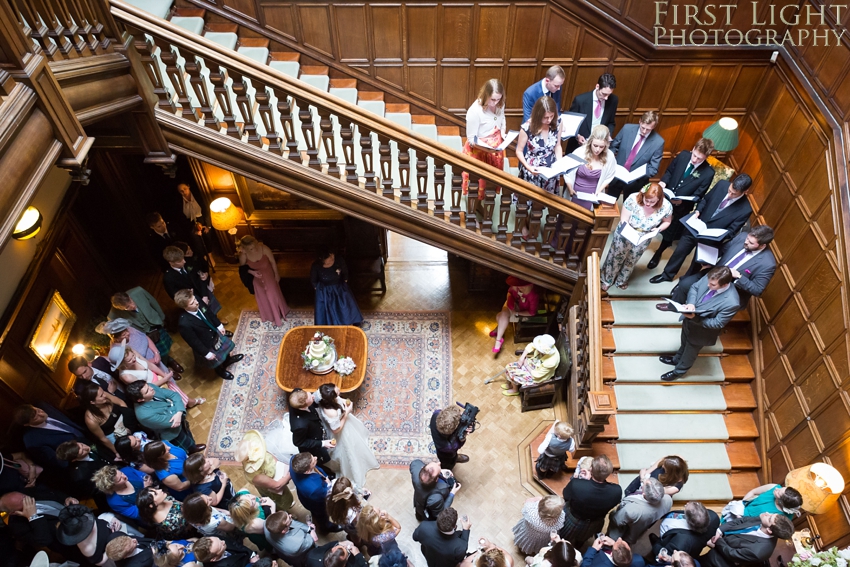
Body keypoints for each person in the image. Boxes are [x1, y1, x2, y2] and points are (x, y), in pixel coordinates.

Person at [651, 173, 754, 284]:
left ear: (745, 192)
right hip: (696, 226)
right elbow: (705, 199)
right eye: (729, 190)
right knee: (679, 252)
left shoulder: (745, 209)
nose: (729, 195)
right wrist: (697, 211)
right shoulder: (721, 184)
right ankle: (667, 275)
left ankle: (682, 284)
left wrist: (716, 235)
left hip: (711, 239)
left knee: (696, 264)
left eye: (734, 194)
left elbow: (732, 231)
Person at [659, 225, 776, 312]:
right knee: (685, 284)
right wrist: (711, 260)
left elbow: (757, 289)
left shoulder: (767, 264)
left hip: (730, 288)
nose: (746, 242)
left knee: (707, 306)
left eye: (751, 243)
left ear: (762, 245)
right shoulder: (742, 237)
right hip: (714, 272)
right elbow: (724, 249)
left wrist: (739, 277)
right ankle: (674, 306)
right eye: (747, 239)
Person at [659, 266, 740, 381]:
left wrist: (695, 318)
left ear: (724, 285)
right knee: (684, 342)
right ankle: (676, 359)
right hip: (689, 320)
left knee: (690, 353)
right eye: (709, 282)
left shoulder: (731, 302)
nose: (708, 286)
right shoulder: (711, 278)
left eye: (713, 285)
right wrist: (691, 303)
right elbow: (695, 287)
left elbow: (717, 323)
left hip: (702, 331)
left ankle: (679, 371)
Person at [646, 139, 716, 269]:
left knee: (669, 232)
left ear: (706, 157)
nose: (694, 160)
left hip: (681, 206)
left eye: (699, 158)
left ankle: (659, 252)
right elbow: (670, 172)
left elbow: (699, 195)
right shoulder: (683, 155)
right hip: (664, 197)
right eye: (694, 155)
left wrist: (682, 201)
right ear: (693, 148)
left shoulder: (708, 173)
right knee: (651, 220)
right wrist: (663, 182)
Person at [600, 183, 672, 291]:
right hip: (626, 231)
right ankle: (607, 279)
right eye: (646, 200)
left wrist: (658, 229)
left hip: (644, 236)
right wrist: (629, 232)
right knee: (616, 256)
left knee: (632, 259)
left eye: (652, 201)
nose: (648, 204)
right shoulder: (633, 199)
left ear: (659, 199)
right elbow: (624, 219)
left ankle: (621, 280)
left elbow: (667, 221)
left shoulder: (666, 206)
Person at [109, 287, 185, 377]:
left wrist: (162, 317)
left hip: (155, 322)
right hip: (143, 333)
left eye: (131, 302)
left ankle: (169, 360)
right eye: (127, 307)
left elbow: (154, 303)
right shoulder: (113, 314)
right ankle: (166, 369)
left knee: (165, 347)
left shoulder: (139, 291)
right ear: (121, 309)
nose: (132, 306)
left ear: (129, 297)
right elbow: (113, 327)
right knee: (154, 353)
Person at [313, 383, 379, 486]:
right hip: (341, 431)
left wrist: (344, 402)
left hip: (345, 422)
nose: (339, 390)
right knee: (349, 449)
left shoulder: (326, 398)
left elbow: (338, 399)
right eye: (337, 392)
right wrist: (346, 412)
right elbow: (336, 429)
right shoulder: (331, 412)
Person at [173, 289, 243, 381]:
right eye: (192, 303)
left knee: (225, 350)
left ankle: (228, 360)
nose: (196, 303)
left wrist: (219, 325)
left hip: (214, 333)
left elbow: (209, 312)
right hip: (206, 343)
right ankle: (220, 370)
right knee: (215, 360)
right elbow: (193, 341)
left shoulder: (197, 300)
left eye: (194, 299)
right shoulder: (184, 323)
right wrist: (206, 353)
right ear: (185, 307)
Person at [112, 340, 201, 407]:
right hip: (152, 389)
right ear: (122, 364)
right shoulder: (126, 376)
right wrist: (164, 379)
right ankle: (186, 408)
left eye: (133, 356)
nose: (133, 359)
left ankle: (190, 402)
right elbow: (145, 387)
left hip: (158, 377)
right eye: (130, 360)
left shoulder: (132, 352)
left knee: (178, 393)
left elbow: (150, 365)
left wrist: (164, 375)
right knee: (173, 402)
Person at [463, 79, 507, 201]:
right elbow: (471, 139)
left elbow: (502, 118)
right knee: (476, 186)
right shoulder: (474, 111)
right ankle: (472, 212)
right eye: (493, 99)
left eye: (498, 99)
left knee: (491, 186)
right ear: (485, 95)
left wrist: (503, 131)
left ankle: (486, 210)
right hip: (479, 151)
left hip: (495, 149)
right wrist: (487, 149)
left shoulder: (500, 103)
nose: (495, 102)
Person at [128, 381, 201, 453]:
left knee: (187, 432)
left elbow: (174, 395)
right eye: (147, 391)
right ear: (141, 399)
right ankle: (191, 450)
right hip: (172, 432)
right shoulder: (144, 415)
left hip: (179, 419)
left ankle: (193, 446)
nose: (151, 388)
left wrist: (179, 412)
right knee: (185, 446)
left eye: (148, 386)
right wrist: (177, 406)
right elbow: (172, 422)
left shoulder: (149, 387)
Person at [608, 111, 665, 201]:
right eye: (643, 128)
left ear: (654, 127)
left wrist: (638, 175)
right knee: (608, 205)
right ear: (640, 121)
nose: (644, 131)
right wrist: (610, 163)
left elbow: (653, 169)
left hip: (636, 183)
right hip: (616, 176)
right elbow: (614, 146)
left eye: (648, 129)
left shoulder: (658, 142)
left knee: (630, 209)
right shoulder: (627, 129)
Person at [13, 403, 88, 470]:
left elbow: (68, 418)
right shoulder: (33, 441)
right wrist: (78, 456)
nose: (42, 414)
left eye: (38, 410)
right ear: (27, 424)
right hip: (81, 457)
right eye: (36, 417)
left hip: (87, 435)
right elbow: (58, 461)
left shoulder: (44, 406)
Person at [700, 513, 794, 567]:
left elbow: (731, 553)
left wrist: (718, 541)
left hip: (718, 560)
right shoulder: (763, 520)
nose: (766, 513)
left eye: (769, 518)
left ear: (769, 530)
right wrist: (720, 530)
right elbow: (741, 521)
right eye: (771, 514)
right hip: (722, 539)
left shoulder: (759, 552)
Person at [235, 429, 295, 512]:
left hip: (278, 475)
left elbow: (271, 457)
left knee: (286, 494)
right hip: (273, 489)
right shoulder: (256, 476)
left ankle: (289, 502)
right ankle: (285, 511)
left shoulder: (259, 451)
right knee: (281, 500)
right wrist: (291, 472)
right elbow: (277, 486)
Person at [162, 245, 226, 323]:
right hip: (192, 301)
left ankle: (217, 321)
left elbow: (200, 278)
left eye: (183, 258)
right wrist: (188, 295)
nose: (184, 261)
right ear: (171, 263)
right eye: (179, 261)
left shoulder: (188, 262)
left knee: (212, 310)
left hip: (203, 292)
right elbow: (176, 297)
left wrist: (205, 295)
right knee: (203, 317)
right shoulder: (168, 278)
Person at [516, 96, 563, 198]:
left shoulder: (558, 123)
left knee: (548, 202)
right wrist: (528, 167)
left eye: (551, 116)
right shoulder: (527, 127)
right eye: (545, 117)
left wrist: (560, 164)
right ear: (538, 114)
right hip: (533, 170)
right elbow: (519, 151)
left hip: (551, 170)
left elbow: (558, 145)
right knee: (528, 201)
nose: (549, 120)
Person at [238, 235, 290, 326]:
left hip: (269, 275)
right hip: (257, 278)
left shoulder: (264, 248)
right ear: (245, 248)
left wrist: (276, 274)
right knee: (263, 297)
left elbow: (273, 262)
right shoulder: (243, 255)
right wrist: (252, 272)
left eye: (254, 247)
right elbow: (243, 269)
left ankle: (278, 316)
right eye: (250, 249)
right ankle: (269, 316)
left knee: (271, 295)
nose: (253, 249)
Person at [56, 504, 130, 567]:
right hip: (116, 555)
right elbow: (99, 562)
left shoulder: (86, 518)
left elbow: (99, 519)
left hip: (122, 536)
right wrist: (111, 549)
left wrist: (111, 519)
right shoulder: (87, 548)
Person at [564, 125, 617, 212]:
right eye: (595, 145)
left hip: (594, 193)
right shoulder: (579, 152)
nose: (597, 150)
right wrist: (570, 188)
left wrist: (599, 191)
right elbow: (568, 172)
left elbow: (609, 176)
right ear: (590, 142)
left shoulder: (609, 156)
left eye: (601, 147)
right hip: (575, 191)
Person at [647, 502, 719, 563]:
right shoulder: (714, 516)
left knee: (658, 546)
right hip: (695, 543)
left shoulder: (681, 543)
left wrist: (656, 546)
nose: (686, 504)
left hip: (668, 541)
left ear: (689, 521)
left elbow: (666, 554)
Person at [607, 478, 673, 544]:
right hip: (644, 526)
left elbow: (617, 520)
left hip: (629, 533)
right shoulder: (668, 500)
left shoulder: (631, 511)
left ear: (644, 494)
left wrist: (612, 514)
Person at [77, 381, 136, 454]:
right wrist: (117, 452)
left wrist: (128, 423)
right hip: (116, 436)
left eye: (103, 392)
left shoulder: (104, 395)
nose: (105, 395)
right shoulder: (91, 419)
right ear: (92, 402)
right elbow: (103, 438)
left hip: (127, 423)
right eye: (101, 396)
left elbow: (121, 403)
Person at [566, 73, 618, 153]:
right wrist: (578, 136)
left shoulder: (613, 100)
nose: (606, 98)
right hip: (579, 146)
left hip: (599, 147)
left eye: (609, 94)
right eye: (604, 94)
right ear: (597, 86)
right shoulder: (580, 100)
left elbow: (611, 122)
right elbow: (571, 123)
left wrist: (608, 135)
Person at [99, 317, 171, 375]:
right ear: (116, 339)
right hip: (146, 370)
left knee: (167, 375)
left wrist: (156, 353)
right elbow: (128, 364)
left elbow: (145, 338)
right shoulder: (116, 349)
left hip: (155, 357)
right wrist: (149, 362)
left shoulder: (131, 330)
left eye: (126, 331)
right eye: (124, 334)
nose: (128, 333)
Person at [289, 452, 339, 533]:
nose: (316, 457)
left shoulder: (294, 460)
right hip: (316, 503)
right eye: (313, 462)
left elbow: (316, 468)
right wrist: (329, 484)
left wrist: (325, 477)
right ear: (307, 471)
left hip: (305, 494)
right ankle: (326, 528)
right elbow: (326, 494)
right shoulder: (315, 489)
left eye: (312, 457)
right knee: (322, 515)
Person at [310, 250, 363, 326]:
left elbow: (345, 272)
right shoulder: (316, 266)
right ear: (322, 259)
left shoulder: (339, 260)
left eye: (332, 255)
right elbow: (313, 280)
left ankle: (347, 322)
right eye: (329, 257)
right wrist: (318, 290)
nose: (332, 258)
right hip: (324, 290)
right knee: (327, 309)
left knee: (345, 306)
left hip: (338, 287)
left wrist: (344, 281)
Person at [490, 276, 540, 354]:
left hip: (523, 313)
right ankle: (498, 339)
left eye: (523, 286)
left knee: (499, 316)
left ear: (530, 285)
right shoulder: (516, 287)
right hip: (514, 305)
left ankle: (498, 332)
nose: (519, 288)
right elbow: (509, 292)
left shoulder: (533, 295)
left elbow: (532, 313)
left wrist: (516, 313)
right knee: (503, 314)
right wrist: (510, 299)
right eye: (518, 286)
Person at [289, 389, 336, 465]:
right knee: (319, 459)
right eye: (311, 399)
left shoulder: (296, 393)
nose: (313, 396)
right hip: (313, 438)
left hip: (314, 425)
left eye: (310, 394)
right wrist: (322, 443)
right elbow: (298, 442)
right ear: (304, 407)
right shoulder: (300, 425)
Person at [623, 456, 689, 497]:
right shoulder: (678, 462)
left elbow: (653, 490)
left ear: (671, 472)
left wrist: (642, 477)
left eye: (665, 466)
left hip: (646, 494)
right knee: (628, 492)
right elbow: (663, 459)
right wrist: (648, 472)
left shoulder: (674, 488)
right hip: (642, 482)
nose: (662, 466)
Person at [735, 483, 803, 522]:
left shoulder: (782, 517)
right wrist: (740, 507)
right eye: (782, 488)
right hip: (738, 510)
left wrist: (740, 521)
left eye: (778, 492)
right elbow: (753, 492)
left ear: (781, 502)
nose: (777, 489)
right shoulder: (774, 487)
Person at [430, 403, 469, 469]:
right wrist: (464, 435)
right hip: (445, 454)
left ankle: (455, 457)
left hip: (441, 445)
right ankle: (451, 464)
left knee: (452, 455)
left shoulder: (436, 414)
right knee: (448, 462)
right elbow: (459, 443)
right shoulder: (449, 447)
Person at [193, 536, 257, 567]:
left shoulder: (215, 540)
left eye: (220, 540)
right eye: (220, 547)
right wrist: (252, 564)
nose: (223, 541)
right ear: (214, 559)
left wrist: (251, 554)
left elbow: (234, 543)